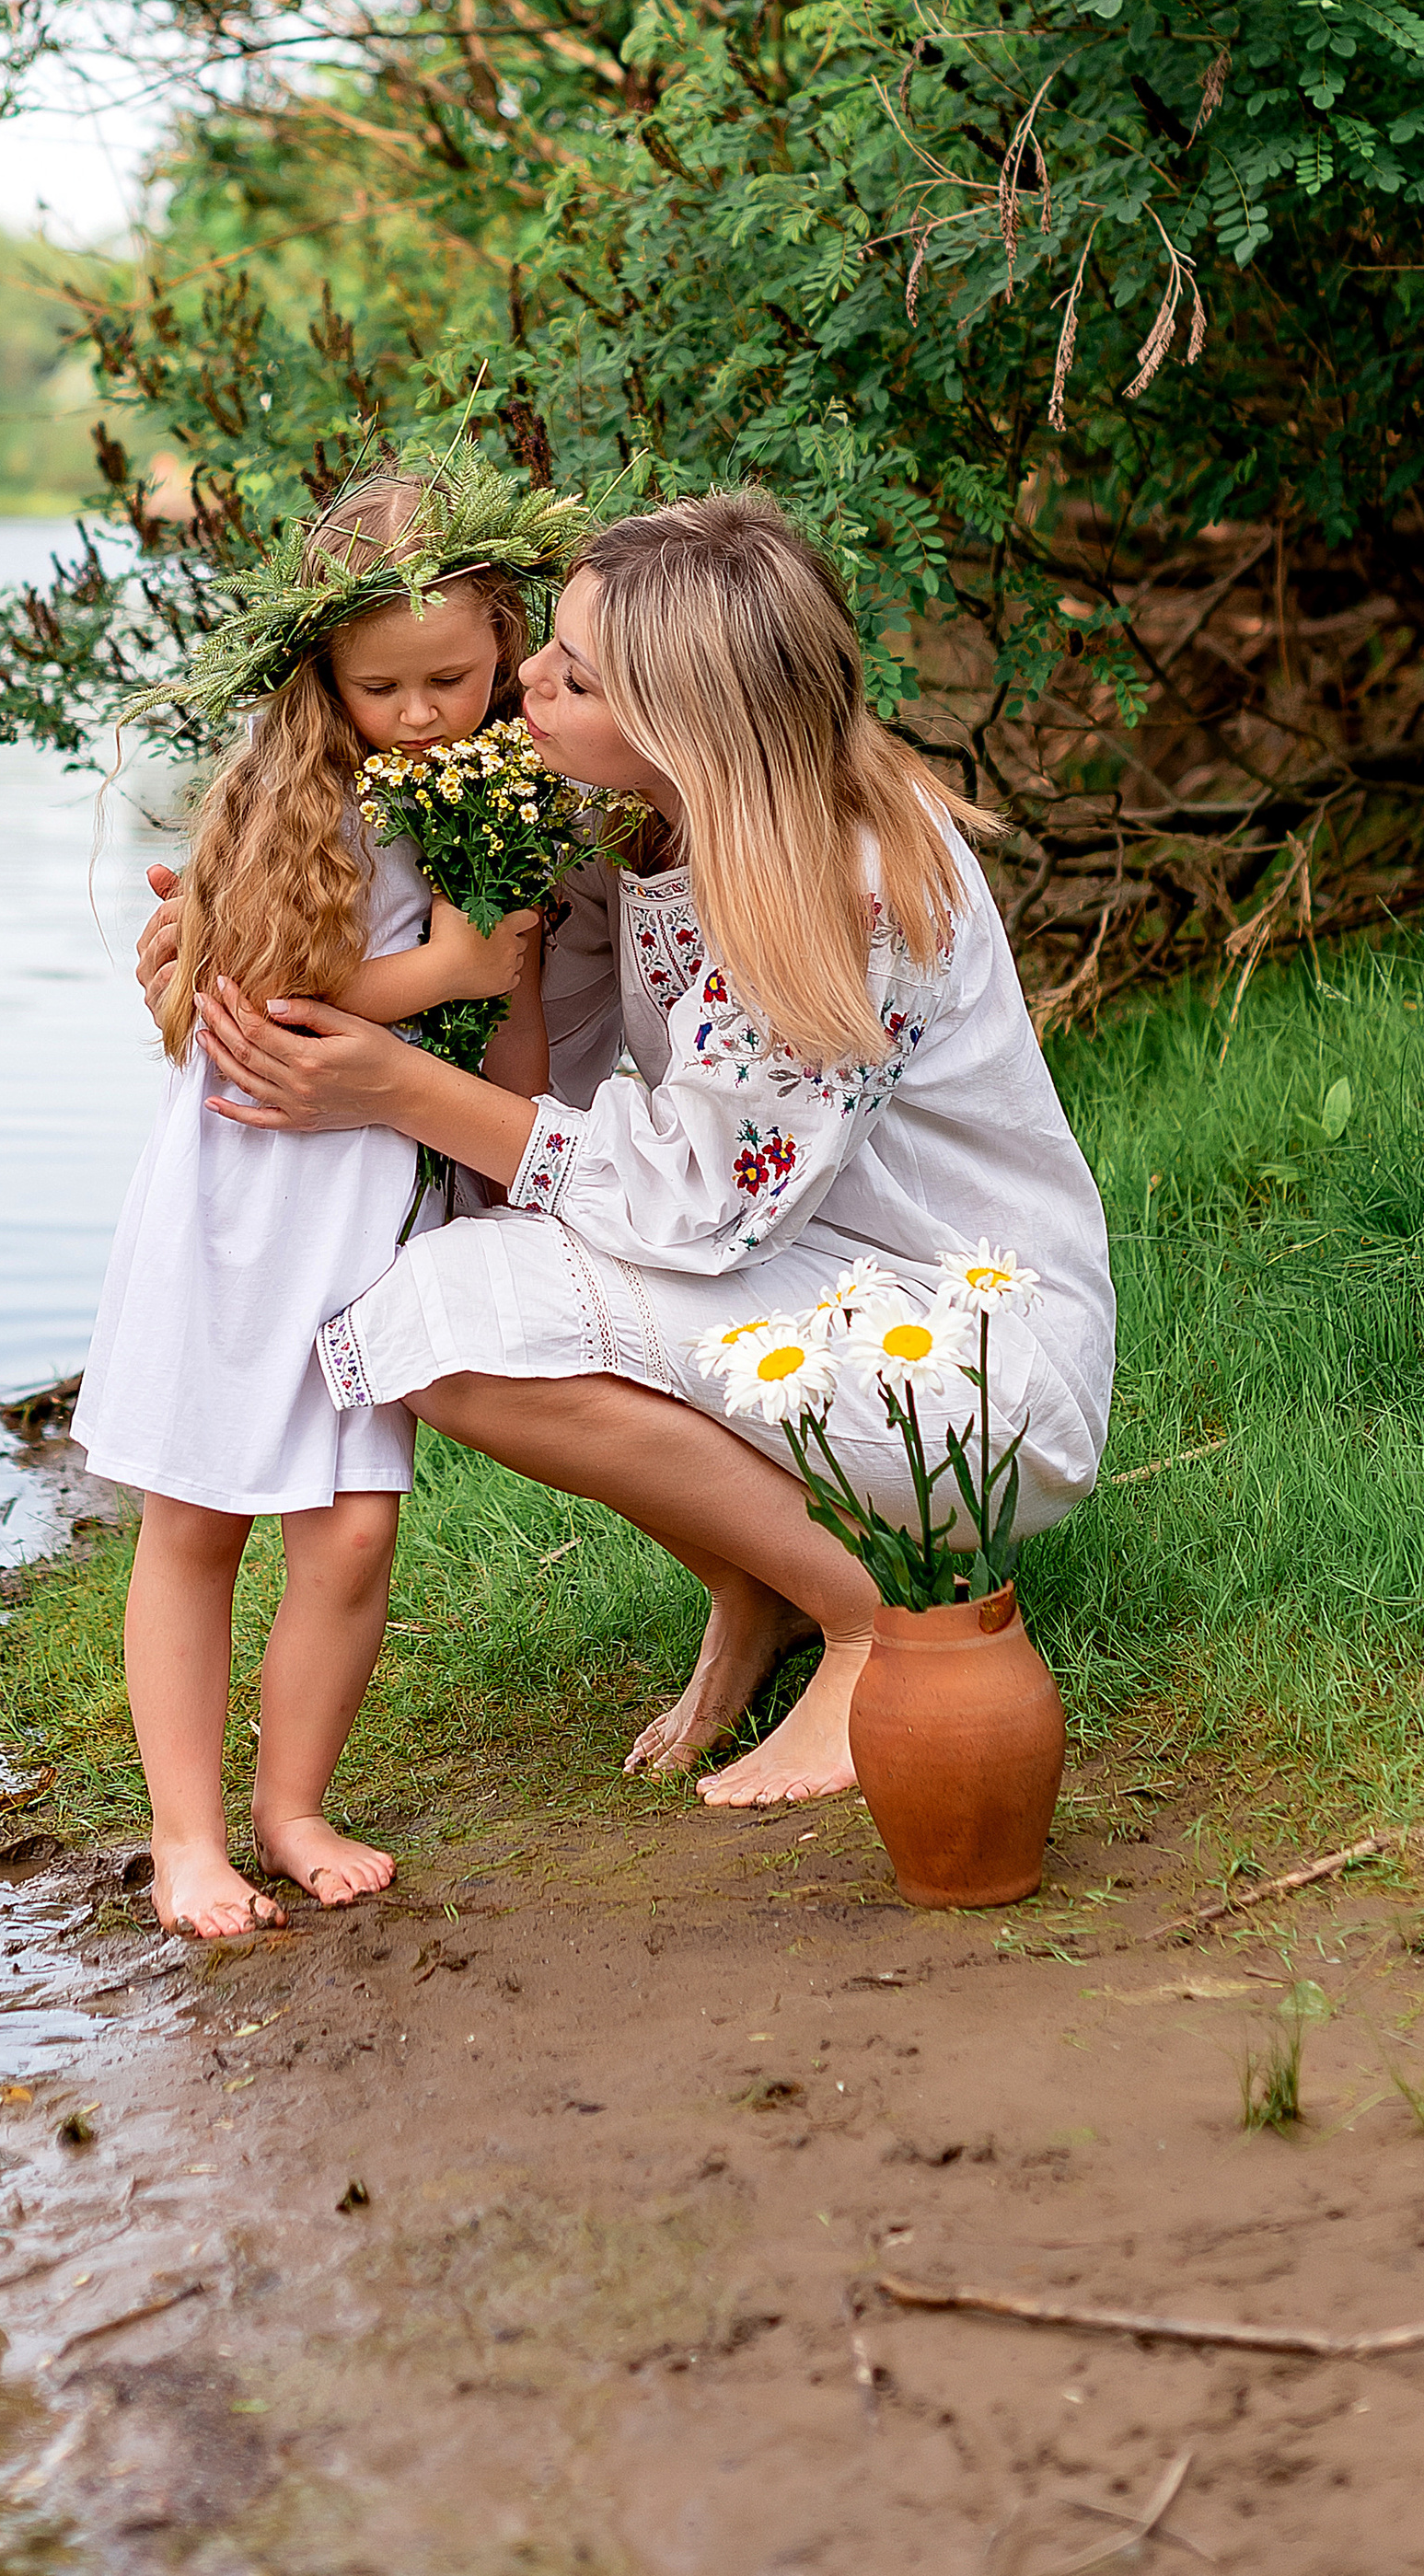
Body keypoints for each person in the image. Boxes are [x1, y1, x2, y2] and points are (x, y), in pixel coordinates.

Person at [165, 489, 1116, 1809]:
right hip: (785, 1278)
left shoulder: (845, 884)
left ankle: (870, 1625)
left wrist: (387, 1086)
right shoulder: (632, 813)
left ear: (686, 722)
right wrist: (237, 945)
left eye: (574, 677)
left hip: (963, 1351)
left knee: (447, 1319)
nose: (526, 687)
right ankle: (761, 1584)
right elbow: (510, 1063)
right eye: (545, 649)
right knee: (442, 1292)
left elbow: (692, 1205)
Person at [75, 477, 548, 1939]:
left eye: (450, 680)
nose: (417, 713)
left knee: (350, 1531)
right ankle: (187, 1837)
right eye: (379, 686)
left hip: (368, 1191)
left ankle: (291, 1803)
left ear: (506, 645)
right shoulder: (299, 791)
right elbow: (248, 983)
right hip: (247, 1181)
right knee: (200, 1513)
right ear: (321, 677)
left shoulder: (492, 786)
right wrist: (454, 975)